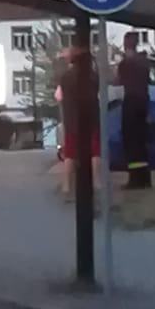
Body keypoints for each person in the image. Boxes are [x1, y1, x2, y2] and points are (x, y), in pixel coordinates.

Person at [56, 47, 100, 198]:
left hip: (72, 121)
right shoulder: (93, 76)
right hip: (91, 118)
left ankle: (67, 187)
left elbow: (59, 97)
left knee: (70, 154)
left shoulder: (66, 77)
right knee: (95, 151)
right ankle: (96, 183)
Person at [117, 32, 152, 189]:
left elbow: (119, 81)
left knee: (131, 143)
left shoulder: (125, 64)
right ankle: (145, 178)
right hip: (143, 103)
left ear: (125, 45)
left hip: (131, 103)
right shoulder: (144, 62)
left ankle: (134, 179)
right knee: (141, 142)